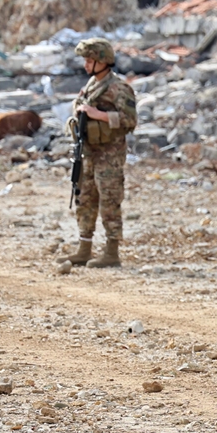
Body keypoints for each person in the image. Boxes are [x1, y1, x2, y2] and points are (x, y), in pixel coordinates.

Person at [56, 38, 136, 268]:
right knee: (85, 199)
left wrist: (98, 114)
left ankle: (111, 252)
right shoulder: (91, 85)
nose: (85, 64)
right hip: (88, 152)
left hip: (109, 155)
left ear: (103, 61)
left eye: (90, 60)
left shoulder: (119, 88)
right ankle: (84, 248)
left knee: (109, 200)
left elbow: (130, 121)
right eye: (85, 60)